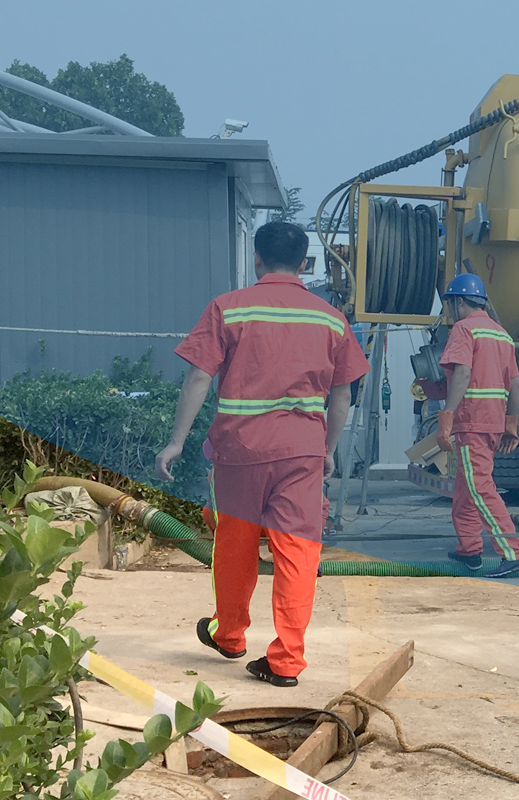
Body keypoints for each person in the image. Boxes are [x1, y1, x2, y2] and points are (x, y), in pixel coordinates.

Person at [156, 222, 367, 687]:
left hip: (240, 451)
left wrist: (176, 441)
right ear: (304, 263)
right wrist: (328, 450)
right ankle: (286, 660)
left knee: (235, 543)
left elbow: (198, 378)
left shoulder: (228, 308)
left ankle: (230, 635)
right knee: (298, 552)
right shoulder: (331, 319)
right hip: (302, 453)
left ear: (256, 258)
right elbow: (342, 396)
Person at [435, 273, 519, 578]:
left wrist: (446, 416)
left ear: (458, 302)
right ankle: (469, 549)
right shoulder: (502, 335)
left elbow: (462, 375)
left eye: (451, 304)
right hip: (492, 422)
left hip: (471, 421)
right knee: (465, 490)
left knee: (479, 487)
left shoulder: (464, 329)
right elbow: (515, 385)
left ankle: (515, 553)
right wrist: (511, 423)